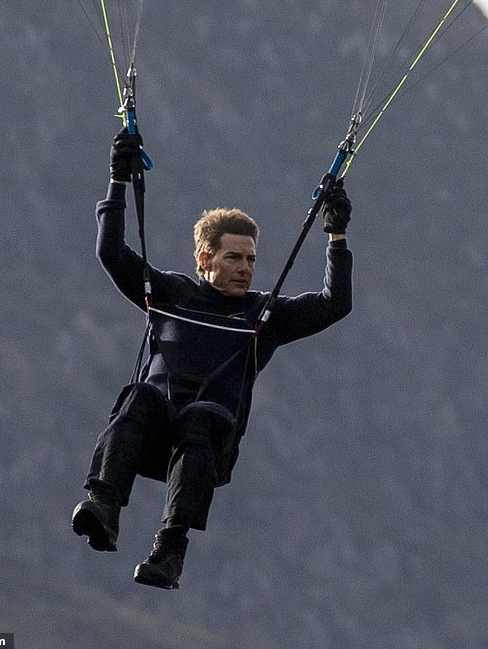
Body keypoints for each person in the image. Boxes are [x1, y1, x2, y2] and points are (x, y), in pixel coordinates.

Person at [72, 128, 353, 590]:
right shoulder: (170, 295)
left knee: (202, 417)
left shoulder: (265, 316)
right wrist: (117, 180)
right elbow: (111, 252)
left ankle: (170, 550)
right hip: (153, 433)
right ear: (204, 258)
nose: (245, 268)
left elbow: (333, 303)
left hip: (206, 445)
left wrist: (336, 235)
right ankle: (103, 505)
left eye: (251, 260)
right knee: (140, 395)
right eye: (234, 258)